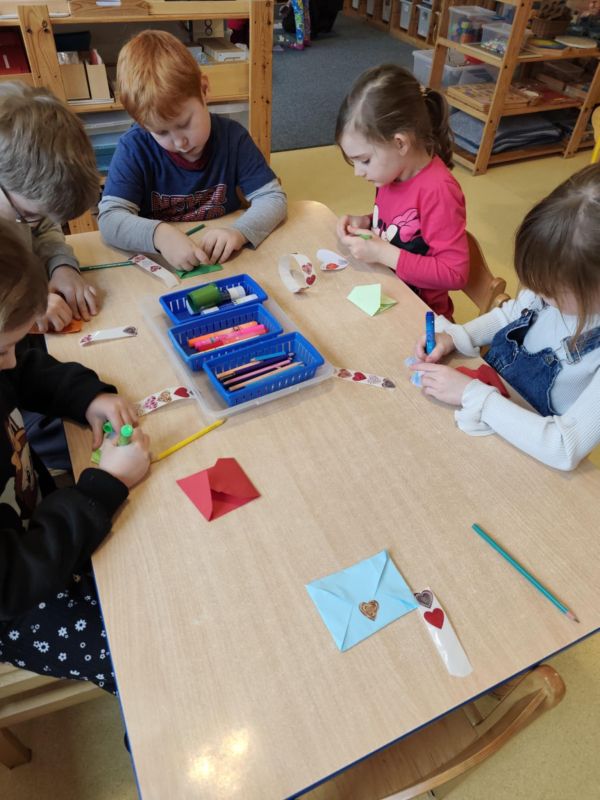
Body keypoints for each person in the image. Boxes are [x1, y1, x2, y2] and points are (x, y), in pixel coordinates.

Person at [0, 220, 151, 691]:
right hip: (14, 599)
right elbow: (13, 582)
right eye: (2, 350)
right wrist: (104, 487)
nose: (10, 360)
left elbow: (24, 370)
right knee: (140, 647)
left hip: (36, 526)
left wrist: (87, 397)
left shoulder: (5, 359)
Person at [411, 163, 600, 471]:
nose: (538, 294)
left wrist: (474, 396)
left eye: (551, 290)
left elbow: (565, 448)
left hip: (532, 451)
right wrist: (458, 337)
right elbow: (511, 315)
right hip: (495, 411)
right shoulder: (551, 286)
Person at [98, 30, 287, 271]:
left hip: (226, 263)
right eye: (161, 132)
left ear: (204, 90)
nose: (180, 142)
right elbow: (109, 220)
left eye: (185, 123)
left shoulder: (233, 138)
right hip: (165, 267)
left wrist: (239, 232)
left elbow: (273, 198)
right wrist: (159, 235)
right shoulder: (134, 147)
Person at [335, 64, 469, 320]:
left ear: (400, 143)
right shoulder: (392, 173)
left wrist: (382, 253)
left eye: (364, 160)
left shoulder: (439, 191)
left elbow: (455, 273)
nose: (358, 172)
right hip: (388, 293)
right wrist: (366, 222)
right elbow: (404, 227)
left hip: (421, 317)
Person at [0, 82, 100, 333]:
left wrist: (61, 265)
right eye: (29, 215)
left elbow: (44, 228)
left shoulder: (19, 198)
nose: (36, 222)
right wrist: (25, 306)